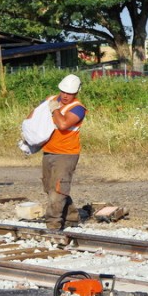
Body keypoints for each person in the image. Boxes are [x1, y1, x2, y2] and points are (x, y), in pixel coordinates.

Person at [29, 74, 87, 231]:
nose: (65, 95)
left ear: (76, 92)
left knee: (58, 190)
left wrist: (55, 109)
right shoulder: (51, 99)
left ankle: (53, 226)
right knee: (50, 188)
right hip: (49, 151)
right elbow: (35, 115)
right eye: (63, 92)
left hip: (66, 154)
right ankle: (72, 217)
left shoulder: (78, 109)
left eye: (70, 93)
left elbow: (62, 124)